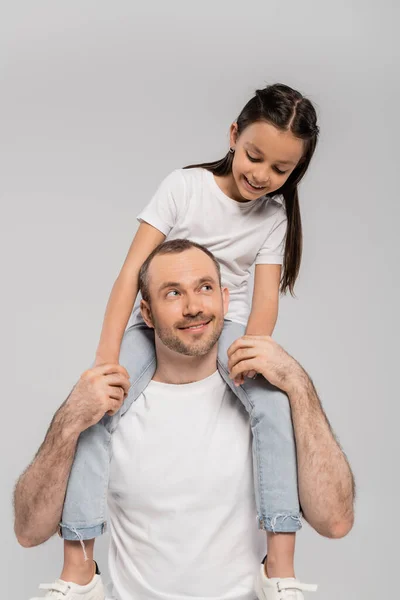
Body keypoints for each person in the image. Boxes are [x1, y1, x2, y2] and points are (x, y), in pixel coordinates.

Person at [15, 240, 355, 600]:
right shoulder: (110, 405)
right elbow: (29, 532)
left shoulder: (266, 405)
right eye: (173, 293)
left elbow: (335, 521)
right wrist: (69, 419)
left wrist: (298, 384)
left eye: (205, 288)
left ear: (225, 298)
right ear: (147, 313)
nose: (194, 307)